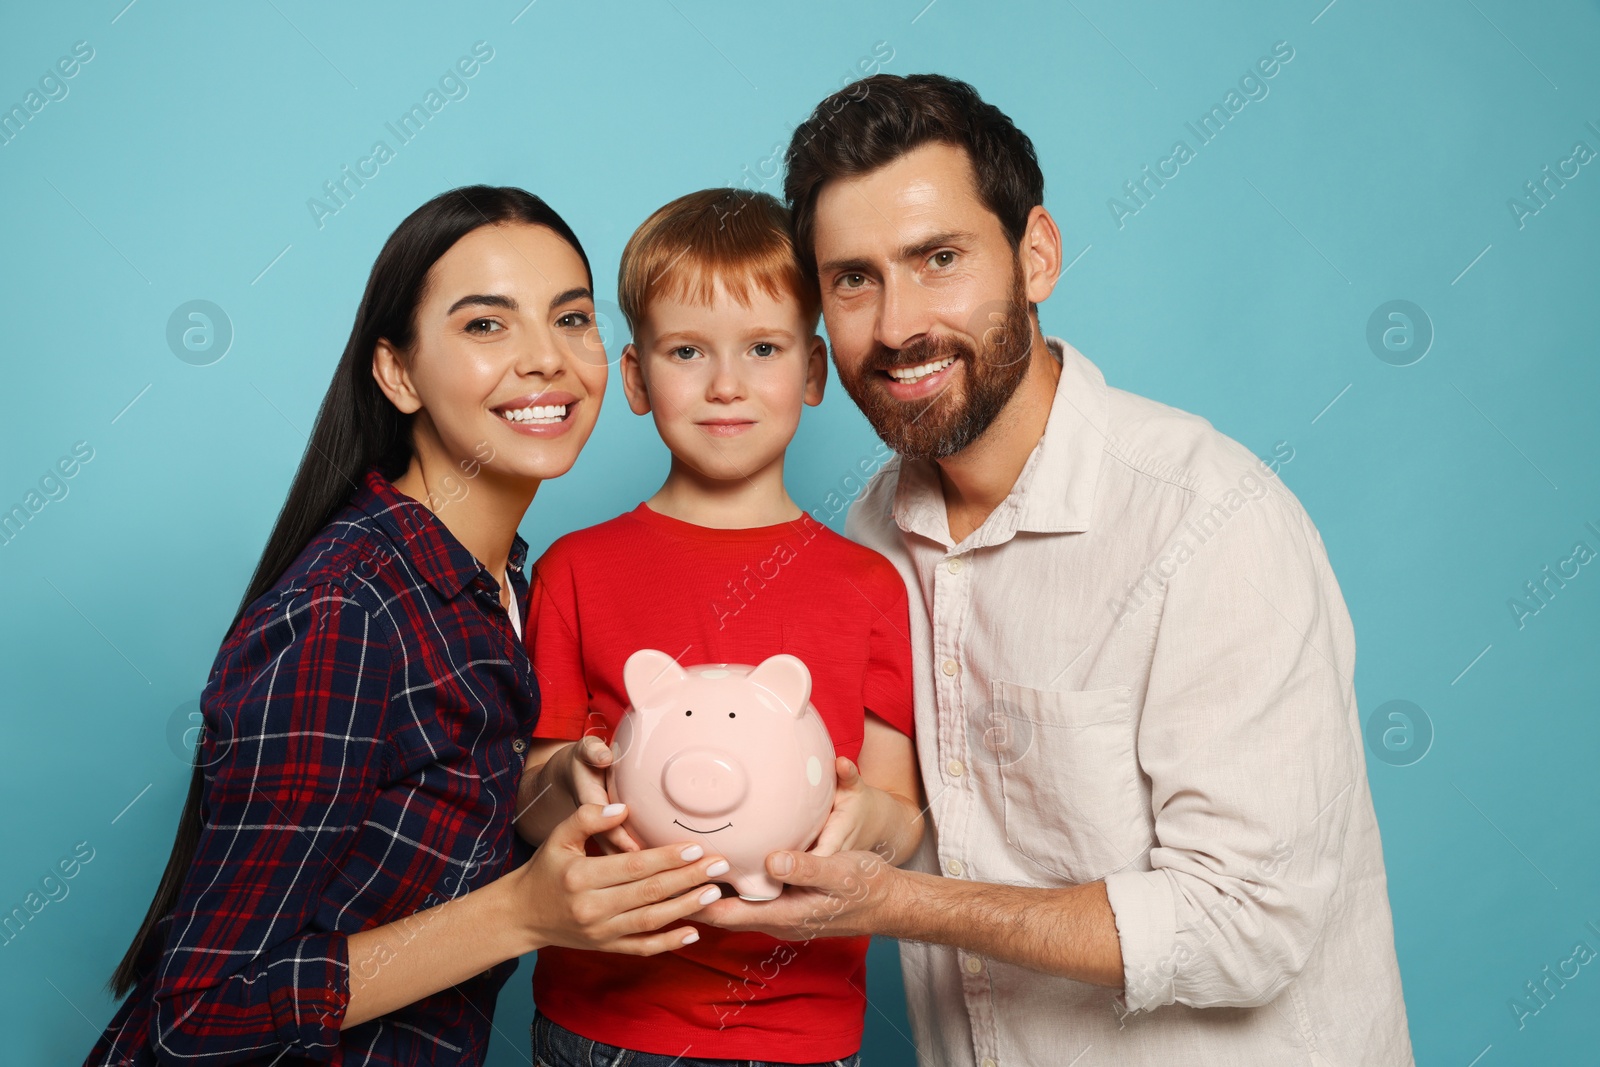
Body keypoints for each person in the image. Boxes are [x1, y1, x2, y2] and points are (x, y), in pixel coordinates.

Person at [703, 74, 1416, 1066]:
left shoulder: (1207, 521)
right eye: (853, 278)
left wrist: (896, 901)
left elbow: (1246, 923)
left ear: (1035, 254)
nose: (899, 321)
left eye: (938, 258)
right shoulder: (864, 543)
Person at [85, 186, 729, 1067]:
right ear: (396, 372)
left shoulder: (498, 589)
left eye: (571, 317)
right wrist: (522, 912)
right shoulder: (349, 609)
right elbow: (197, 1012)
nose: (546, 359)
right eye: (485, 326)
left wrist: (553, 791)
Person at [513, 188, 922, 1067]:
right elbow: (528, 797)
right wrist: (571, 784)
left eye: (763, 349)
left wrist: (863, 823)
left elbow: (902, 814)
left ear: (813, 372)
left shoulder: (872, 585)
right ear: (635, 376)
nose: (726, 384)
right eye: (688, 350)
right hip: (602, 1024)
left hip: (798, 1029)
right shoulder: (574, 570)